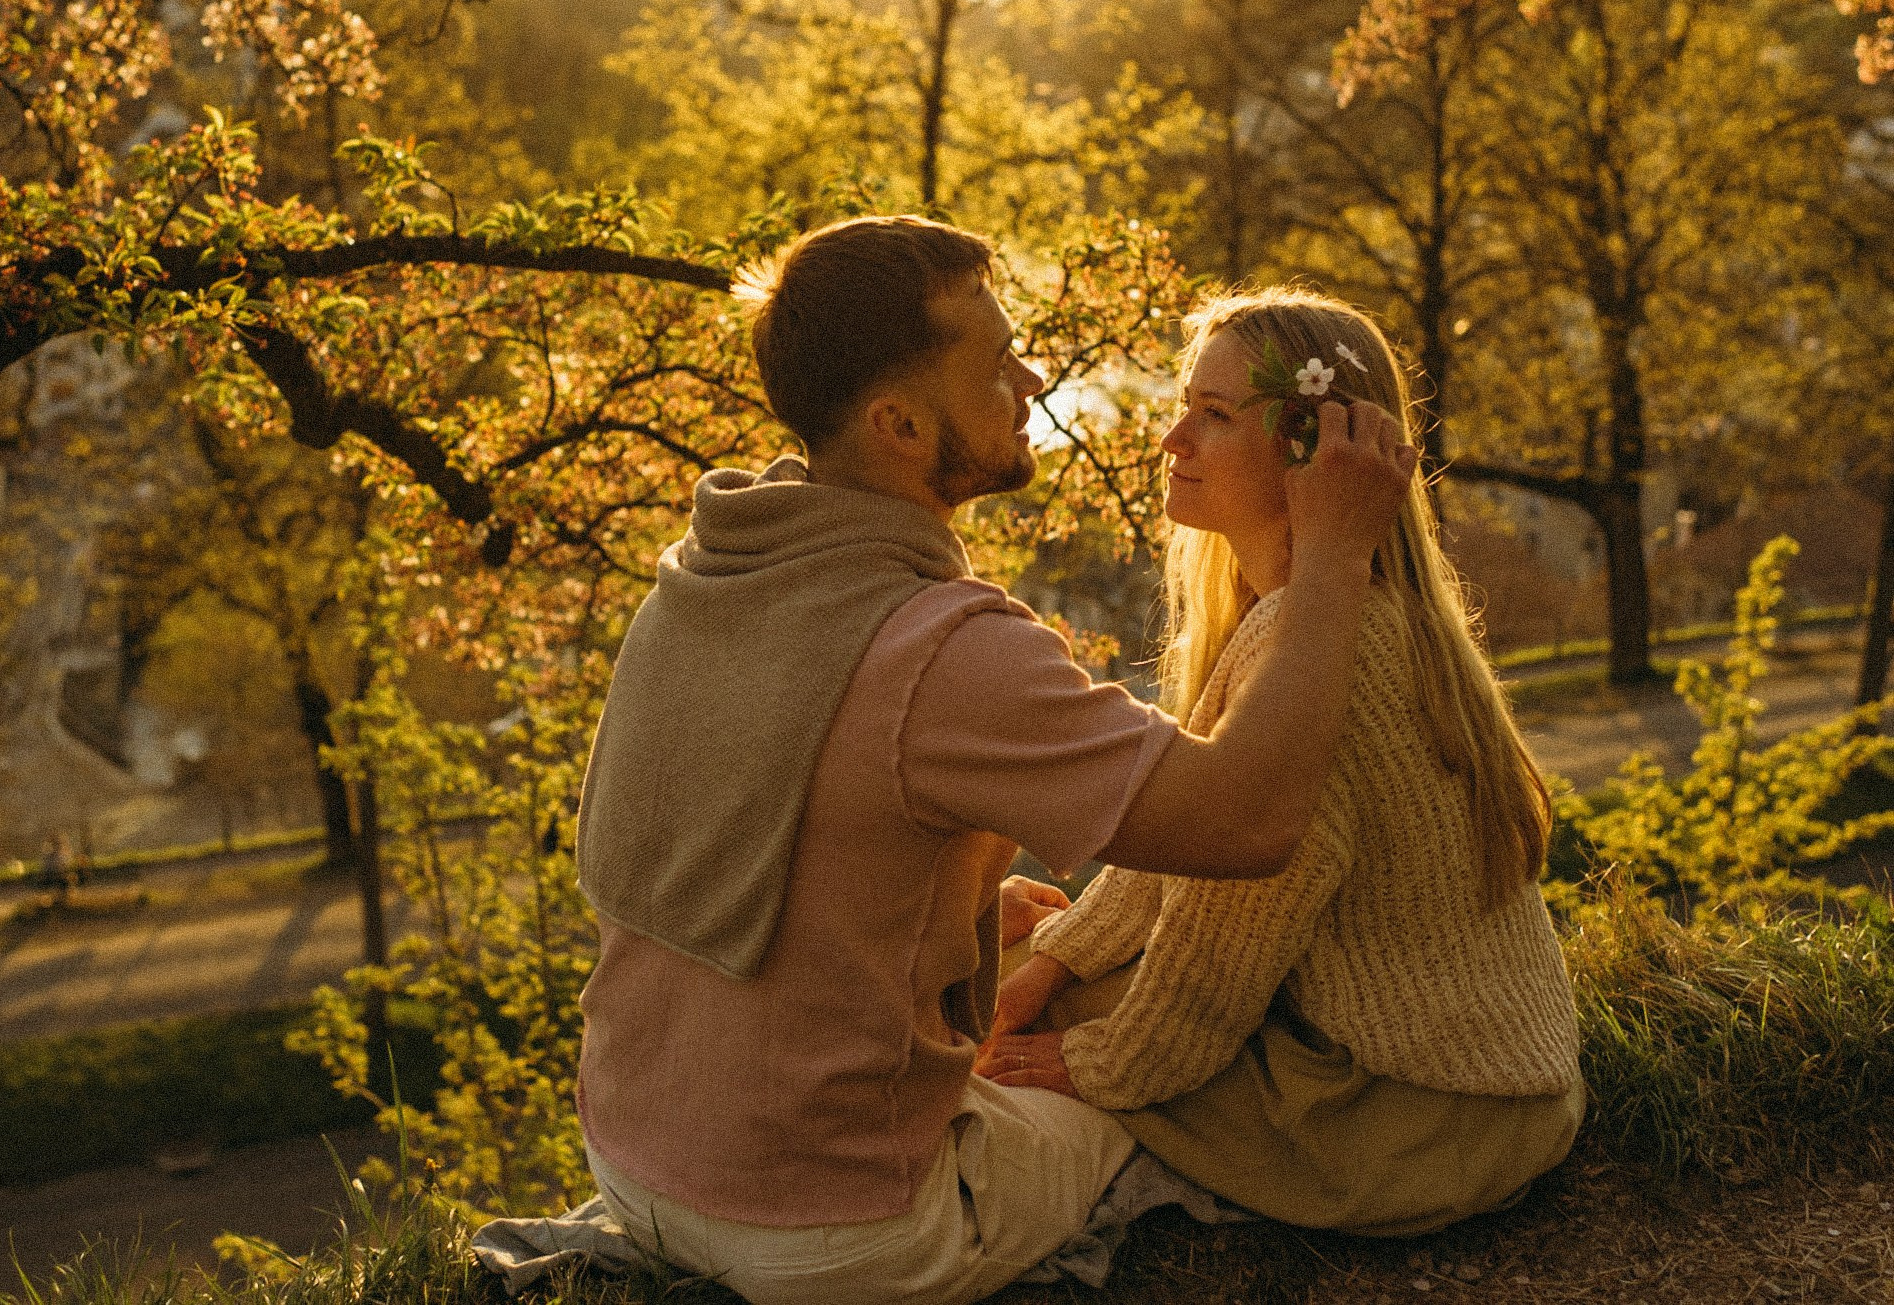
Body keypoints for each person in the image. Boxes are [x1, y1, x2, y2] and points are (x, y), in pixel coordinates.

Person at [570, 220, 1416, 1305]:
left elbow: (769, 851)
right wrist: (1337, 554)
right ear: (899, 423)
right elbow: (1247, 821)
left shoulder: (700, 582)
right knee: (1156, 1118)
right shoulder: (943, 652)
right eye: (994, 366)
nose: (1030, 380)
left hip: (634, 1164)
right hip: (834, 1231)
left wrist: (956, 907)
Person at [978, 287, 1585, 1237]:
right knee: (1019, 956)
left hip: (1408, 1125)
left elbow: (1225, 939)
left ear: (1314, 454)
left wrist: (1097, 1064)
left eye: (1214, 416)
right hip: (1497, 1096)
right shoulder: (1332, 618)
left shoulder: (1324, 653)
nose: (1174, 438)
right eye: (1185, 405)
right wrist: (1059, 962)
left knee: (979, 999)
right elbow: (1183, 850)